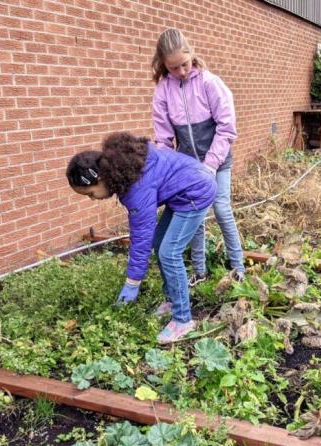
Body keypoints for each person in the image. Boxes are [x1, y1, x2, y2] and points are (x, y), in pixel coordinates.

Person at [66, 132, 217, 344]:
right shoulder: (126, 169)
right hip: (183, 190)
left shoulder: (136, 187)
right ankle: (173, 300)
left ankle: (183, 319)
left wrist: (132, 282)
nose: (92, 199)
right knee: (160, 243)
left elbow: (141, 238)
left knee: (169, 252)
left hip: (196, 192)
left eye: (90, 193)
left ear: (100, 178)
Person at [151, 28, 245, 287]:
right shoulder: (163, 91)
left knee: (222, 209)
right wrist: (166, 171)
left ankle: (238, 266)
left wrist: (211, 165)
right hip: (188, 165)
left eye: (184, 64)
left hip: (218, 159)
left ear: (191, 54)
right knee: (194, 214)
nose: (181, 71)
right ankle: (200, 271)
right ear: (163, 65)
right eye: (173, 68)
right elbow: (164, 140)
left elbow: (226, 129)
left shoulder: (209, 83)